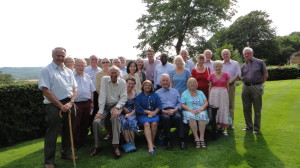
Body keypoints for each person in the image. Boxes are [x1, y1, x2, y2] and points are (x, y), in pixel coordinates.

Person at [38, 47, 78, 168]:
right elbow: (46, 91)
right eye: (58, 55)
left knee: (69, 131)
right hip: (54, 105)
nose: (61, 58)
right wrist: (61, 106)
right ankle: (49, 161)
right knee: (52, 133)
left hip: (69, 104)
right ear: (52, 55)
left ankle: (66, 153)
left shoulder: (69, 71)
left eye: (62, 56)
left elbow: (75, 89)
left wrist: (70, 103)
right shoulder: (46, 70)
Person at [90, 66, 127, 158]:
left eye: (116, 73)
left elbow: (123, 97)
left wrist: (117, 108)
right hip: (105, 106)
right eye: (112, 72)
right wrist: (100, 112)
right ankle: (97, 146)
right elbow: (102, 95)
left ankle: (116, 146)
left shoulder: (122, 82)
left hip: (116, 105)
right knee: (96, 122)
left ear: (119, 73)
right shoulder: (104, 79)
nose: (114, 74)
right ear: (108, 73)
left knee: (115, 117)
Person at [155, 74, 187, 150]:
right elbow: (156, 106)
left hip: (174, 110)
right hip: (163, 111)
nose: (165, 82)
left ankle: (181, 140)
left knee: (178, 117)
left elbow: (179, 103)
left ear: (170, 82)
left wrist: (175, 110)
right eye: (163, 80)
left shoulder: (175, 91)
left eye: (167, 80)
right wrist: (164, 111)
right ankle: (168, 140)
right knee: (166, 118)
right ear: (161, 82)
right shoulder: (157, 93)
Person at [241, 47, 268, 134]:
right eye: (245, 54)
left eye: (248, 53)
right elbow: (240, 76)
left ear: (252, 53)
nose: (246, 55)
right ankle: (249, 126)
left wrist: (260, 85)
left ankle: (256, 128)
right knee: (246, 108)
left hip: (256, 87)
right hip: (245, 87)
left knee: (257, 109)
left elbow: (265, 75)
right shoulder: (243, 66)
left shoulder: (260, 62)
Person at [73, 58, 95, 149]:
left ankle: (82, 141)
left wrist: (92, 101)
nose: (81, 67)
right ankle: (73, 144)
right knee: (76, 124)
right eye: (78, 65)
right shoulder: (71, 76)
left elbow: (92, 90)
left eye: (82, 65)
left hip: (87, 103)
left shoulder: (87, 76)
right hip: (76, 104)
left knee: (84, 124)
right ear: (74, 66)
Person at [181, 78, 209, 149]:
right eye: (190, 83)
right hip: (189, 110)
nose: (192, 84)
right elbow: (183, 104)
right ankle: (196, 138)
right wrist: (191, 110)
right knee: (191, 116)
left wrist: (201, 109)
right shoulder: (184, 93)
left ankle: (202, 138)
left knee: (202, 115)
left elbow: (206, 102)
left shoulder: (200, 92)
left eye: (194, 82)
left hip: (200, 110)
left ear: (196, 84)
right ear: (188, 84)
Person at [135, 80, 162, 154]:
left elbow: (159, 106)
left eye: (149, 85)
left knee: (154, 124)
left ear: (151, 87)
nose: (147, 87)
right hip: (142, 114)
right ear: (143, 86)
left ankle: (152, 142)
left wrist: (154, 113)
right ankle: (150, 145)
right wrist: (148, 112)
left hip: (154, 114)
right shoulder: (138, 96)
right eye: (146, 85)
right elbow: (138, 108)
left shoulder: (155, 95)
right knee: (146, 124)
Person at [208, 60, 231, 135]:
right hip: (214, 94)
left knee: (223, 109)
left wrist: (227, 95)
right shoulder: (211, 75)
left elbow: (228, 86)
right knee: (215, 109)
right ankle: (216, 127)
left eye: (219, 66)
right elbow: (210, 87)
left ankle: (222, 128)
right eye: (216, 66)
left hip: (223, 94)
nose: (218, 68)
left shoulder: (226, 75)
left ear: (222, 66)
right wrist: (209, 96)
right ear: (214, 67)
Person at [221, 49, 241, 130]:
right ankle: (222, 124)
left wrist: (231, 81)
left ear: (230, 54)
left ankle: (230, 124)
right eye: (224, 54)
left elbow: (238, 74)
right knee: (222, 105)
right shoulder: (220, 64)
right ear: (222, 56)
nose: (225, 55)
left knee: (230, 105)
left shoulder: (235, 63)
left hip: (231, 85)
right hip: (221, 86)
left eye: (227, 54)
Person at [95, 58, 111, 140]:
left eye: (107, 62)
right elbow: (97, 87)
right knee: (104, 116)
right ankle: (107, 133)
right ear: (101, 64)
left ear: (109, 63)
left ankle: (112, 133)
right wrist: (103, 96)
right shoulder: (98, 74)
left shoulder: (112, 72)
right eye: (103, 62)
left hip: (112, 98)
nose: (105, 63)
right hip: (102, 98)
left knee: (111, 116)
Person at [84, 55, 102, 127]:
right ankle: (87, 127)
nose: (94, 60)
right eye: (92, 59)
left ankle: (94, 128)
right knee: (90, 110)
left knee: (96, 109)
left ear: (98, 61)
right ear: (89, 60)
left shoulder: (100, 70)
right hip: (89, 93)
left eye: (96, 59)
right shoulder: (85, 70)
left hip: (98, 93)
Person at [120, 78, 139, 144]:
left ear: (134, 85)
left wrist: (129, 114)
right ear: (126, 83)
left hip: (133, 113)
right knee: (124, 121)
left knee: (131, 121)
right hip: (122, 113)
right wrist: (123, 108)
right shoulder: (121, 93)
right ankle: (128, 142)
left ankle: (132, 142)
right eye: (129, 83)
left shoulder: (136, 95)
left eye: (132, 84)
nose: (131, 85)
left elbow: (135, 108)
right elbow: (118, 103)